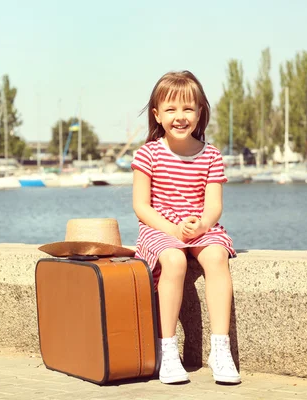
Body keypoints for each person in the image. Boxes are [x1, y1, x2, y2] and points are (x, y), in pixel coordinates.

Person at [131, 70, 240, 384]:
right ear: (157, 115)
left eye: (188, 109)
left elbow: (214, 206)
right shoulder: (148, 154)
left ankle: (220, 349)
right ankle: (167, 348)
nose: (180, 117)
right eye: (171, 109)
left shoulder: (212, 156)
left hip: (199, 225)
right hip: (160, 226)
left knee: (217, 257)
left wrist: (202, 224)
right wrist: (173, 230)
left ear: (200, 112)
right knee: (175, 260)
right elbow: (141, 206)